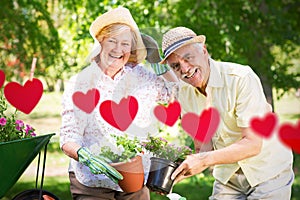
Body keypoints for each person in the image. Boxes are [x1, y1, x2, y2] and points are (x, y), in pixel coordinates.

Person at [160, 26, 294, 199]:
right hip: (228, 176)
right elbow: (203, 147)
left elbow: (253, 144)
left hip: (267, 169)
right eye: (176, 66)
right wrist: (173, 174)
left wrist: (203, 160)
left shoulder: (241, 78)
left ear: (204, 51)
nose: (185, 69)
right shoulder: (185, 93)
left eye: (188, 57)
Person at [60, 7, 178, 200]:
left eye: (125, 44)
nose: (118, 49)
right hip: (92, 181)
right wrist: (86, 157)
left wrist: (158, 61)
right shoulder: (80, 83)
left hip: (134, 179)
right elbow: (68, 136)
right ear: (100, 43)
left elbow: (176, 92)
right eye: (112, 41)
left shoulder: (140, 76)